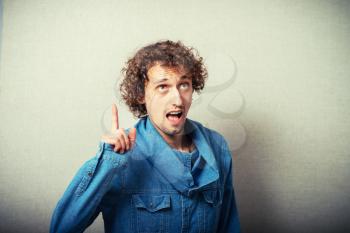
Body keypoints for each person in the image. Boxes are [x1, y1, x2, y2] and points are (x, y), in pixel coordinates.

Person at [50, 40, 240, 233]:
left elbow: (229, 225)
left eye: (184, 85)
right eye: (163, 87)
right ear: (141, 94)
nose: (177, 99)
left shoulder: (217, 147)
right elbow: (62, 228)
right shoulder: (119, 154)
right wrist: (107, 163)